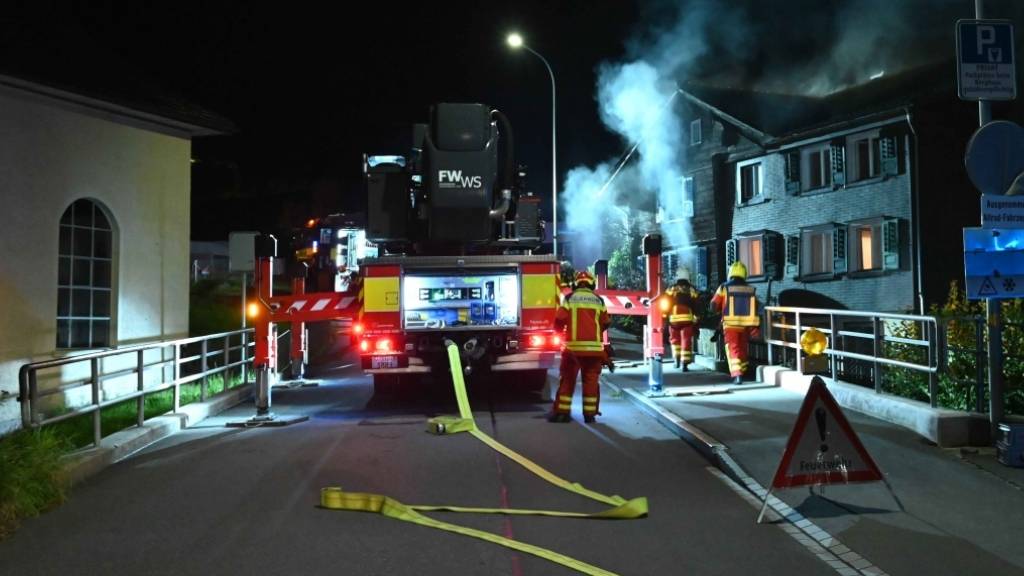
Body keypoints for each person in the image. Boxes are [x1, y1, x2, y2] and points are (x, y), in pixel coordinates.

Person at [549, 270, 610, 424]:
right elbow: (606, 323)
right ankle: (589, 416)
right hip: (594, 352)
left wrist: (558, 332)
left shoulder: (570, 299)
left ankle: (562, 413)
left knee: (568, 380)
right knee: (590, 382)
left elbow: (559, 319)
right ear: (591, 283)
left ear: (576, 283)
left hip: (572, 350)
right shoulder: (599, 300)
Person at [709, 261, 761, 385]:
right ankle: (743, 371)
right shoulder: (750, 289)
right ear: (744, 273)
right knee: (742, 348)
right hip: (746, 325)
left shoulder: (723, 287)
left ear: (730, 272)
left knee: (733, 348)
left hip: (730, 325)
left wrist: (716, 310)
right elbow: (756, 306)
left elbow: (713, 305)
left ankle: (737, 375)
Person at [665, 271, 701, 371]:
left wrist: (665, 316)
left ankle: (676, 361)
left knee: (675, 340)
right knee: (686, 340)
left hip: (674, 319)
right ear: (688, 278)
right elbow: (697, 305)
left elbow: (666, 302)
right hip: (687, 319)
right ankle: (684, 365)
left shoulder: (671, 289)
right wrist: (697, 317)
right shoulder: (692, 290)